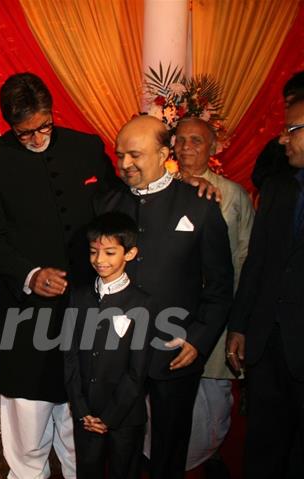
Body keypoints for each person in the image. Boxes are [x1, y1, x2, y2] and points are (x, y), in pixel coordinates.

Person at [0, 72, 118, 479]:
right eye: (25, 134)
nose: (38, 139)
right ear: (9, 125)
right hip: (26, 314)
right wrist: (30, 274)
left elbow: (119, 210)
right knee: (28, 429)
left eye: (45, 127)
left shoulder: (87, 149)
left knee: (81, 429)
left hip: (88, 307)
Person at [95, 115, 233, 479]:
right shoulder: (107, 206)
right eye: (120, 155)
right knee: (119, 447)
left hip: (175, 353)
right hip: (117, 353)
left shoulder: (200, 205)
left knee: (170, 450)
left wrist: (198, 341)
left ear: (163, 152)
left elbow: (220, 287)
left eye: (135, 155)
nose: (125, 164)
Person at [227, 96, 304, 478]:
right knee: (261, 452)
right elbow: (256, 262)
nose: (281, 140)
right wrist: (239, 325)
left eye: (291, 130)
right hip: (267, 345)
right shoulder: (277, 189)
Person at [174, 117, 254, 472]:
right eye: (180, 140)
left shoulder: (232, 194)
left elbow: (246, 258)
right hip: (171, 319)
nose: (186, 148)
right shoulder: (162, 188)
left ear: (213, 147)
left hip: (219, 320)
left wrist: (240, 322)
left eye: (196, 141)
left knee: (211, 408)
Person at [64, 211, 154, 479]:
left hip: (125, 418)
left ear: (129, 253)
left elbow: (138, 371)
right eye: (94, 252)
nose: (99, 260)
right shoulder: (78, 297)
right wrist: (81, 410)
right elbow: (69, 357)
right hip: (86, 416)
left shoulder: (142, 303)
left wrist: (109, 417)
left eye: (110, 253)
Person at [250, 71, 304, 190]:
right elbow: (259, 179)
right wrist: (278, 147)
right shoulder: (279, 144)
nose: (291, 110)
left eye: (296, 103)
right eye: (287, 105)